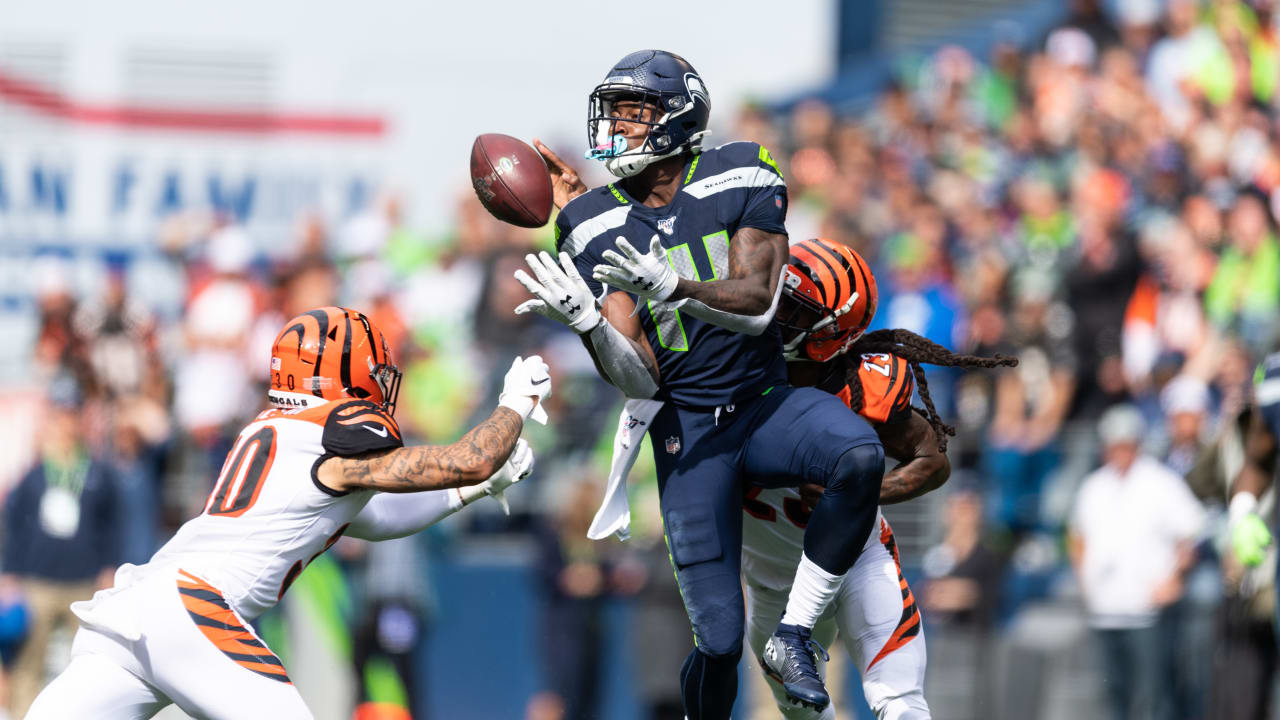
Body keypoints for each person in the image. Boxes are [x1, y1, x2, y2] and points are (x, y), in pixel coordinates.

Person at [515, 50, 887, 715]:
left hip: (762, 401)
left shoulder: (738, 170)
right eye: (617, 113)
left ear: (675, 116)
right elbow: (640, 377)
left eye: (635, 113)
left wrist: (672, 285)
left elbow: (760, 303)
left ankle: (796, 633)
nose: (620, 128)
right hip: (687, 429)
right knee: (716, 641)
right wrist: (589, 325)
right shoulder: (592, 220)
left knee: (857, 455)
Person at [25, 306, 550, 719]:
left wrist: (471, 493)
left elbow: (376, 518)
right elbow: (469, 458)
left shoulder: (273, 428)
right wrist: (515, 402)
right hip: (195, 608)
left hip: (137, 604)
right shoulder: (331, 432)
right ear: (343, 374)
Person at [738, 239, 1016, 720]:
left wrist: (862, 491)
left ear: (832, 330)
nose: (776, 312)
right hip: (769, 583)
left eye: (795, 309)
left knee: (901, 704)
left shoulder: (864, 383)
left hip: (857, 563)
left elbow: (933, 460)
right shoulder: (731, 363)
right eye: (778, 296)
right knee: (804, 715)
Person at [1069, 404, 1204, 720]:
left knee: (1153, 699)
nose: (1119, 451)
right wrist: (1084, 579)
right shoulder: (1094, 487)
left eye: (1125, 444)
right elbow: (1077, 537)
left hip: (1146, 612)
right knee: (1114, 697)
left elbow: (1192, 534)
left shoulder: (1160, 482)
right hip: (1106, 611)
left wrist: (1174, 579)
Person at [1, 374, 121, 718]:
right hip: (37, 580)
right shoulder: (35, 472)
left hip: (84, 581)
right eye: (60, 412)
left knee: (87, 668)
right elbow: (16, 525)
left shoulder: (97, 471)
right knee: (28, 666)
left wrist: (109, 567)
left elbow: (109, 525)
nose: (66, 421)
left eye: (72, 412)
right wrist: (9, 574)